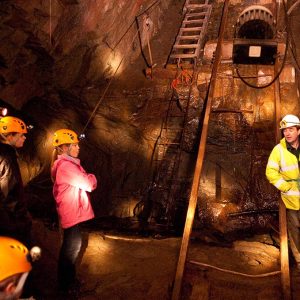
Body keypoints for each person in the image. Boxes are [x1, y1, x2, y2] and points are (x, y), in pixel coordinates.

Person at [51, 129, 97, 294]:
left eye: (78, 144)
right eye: (74, 145)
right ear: (64, 148)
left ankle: (69, 282)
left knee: (71, 247)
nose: (78, 147)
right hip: (71, 212)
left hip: (71, 210)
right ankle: (66, 287)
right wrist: (92, 176)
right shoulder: (66, 167)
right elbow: (89, 185)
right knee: (71, 249)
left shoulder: (68, 165)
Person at [266, 114, 300, 269]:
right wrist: (285, 187)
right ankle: (299, 261)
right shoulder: (278, 150)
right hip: (292, 200)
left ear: (298, 131)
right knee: (295, 233)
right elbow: (271, 172)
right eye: (285, 130)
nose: (287, 133)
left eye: (291, 129)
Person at [0, 116, 32, 247]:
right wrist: (23, 218)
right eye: (21, 135)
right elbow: (9, 192)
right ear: (10, 136)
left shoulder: (5, 154)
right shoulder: (7, 157)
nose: (24, 137)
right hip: (11, 221)